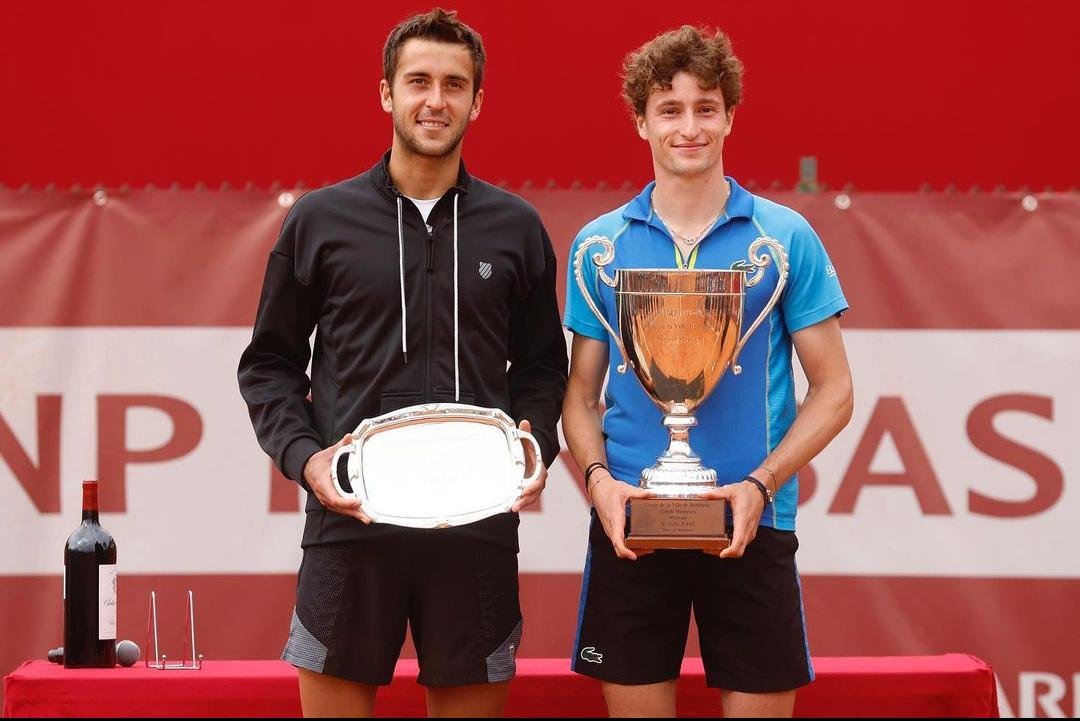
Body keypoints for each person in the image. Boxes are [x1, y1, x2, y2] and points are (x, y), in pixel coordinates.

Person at [237, 9, 567, 717]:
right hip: (350, 523)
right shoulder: (319, 220)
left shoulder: (516, 228)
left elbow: (543, 368)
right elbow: (269, 364)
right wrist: (306, 459)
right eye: (418, 81)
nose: (435, 100)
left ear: (478, 101)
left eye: (454, 84)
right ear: (386, 92)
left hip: (477, 525)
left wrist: (534, 443)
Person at [561, 25, 854, 718]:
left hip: (753, 520)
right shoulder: (598, 246)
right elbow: (578, 396)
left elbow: (836, 390)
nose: (689, 128)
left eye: (705, 108)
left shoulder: (783, 238)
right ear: (641, 122)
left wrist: (761, 484)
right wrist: (601, 486)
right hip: (631, 525)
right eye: (670, 109)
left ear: (730, 116)